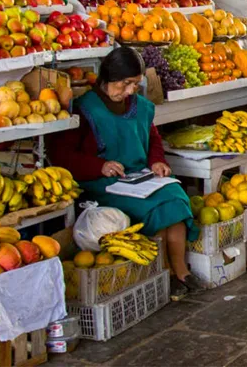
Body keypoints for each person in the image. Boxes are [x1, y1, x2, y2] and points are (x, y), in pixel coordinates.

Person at [47, 47, 201, 300]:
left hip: (139, 178)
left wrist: (156, 162)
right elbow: (62, 155)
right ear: (110, 77)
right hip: (103, 184)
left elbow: (153, 138)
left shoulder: (140, 106)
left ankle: (182, 271)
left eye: (134, 85)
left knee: (174, 195)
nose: (130, 91)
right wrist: (99, 166)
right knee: (154, 208)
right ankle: (166, 275)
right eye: (126, 84)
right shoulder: (85, 108)